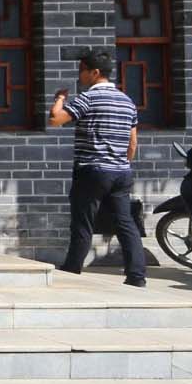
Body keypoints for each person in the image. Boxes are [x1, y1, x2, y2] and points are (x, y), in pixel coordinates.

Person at [50, 46, 146, 287]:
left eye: (82, 70)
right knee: (125, 223)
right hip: (121, 172)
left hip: (92, 170)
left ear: (94, 72)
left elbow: (55, 119)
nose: (79, 75)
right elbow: (133, 142)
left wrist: (60, 98)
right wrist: (121, 163)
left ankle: (71, 270)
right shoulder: (127, 101)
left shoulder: (88, 98)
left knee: (83, 222)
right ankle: (137, 276)